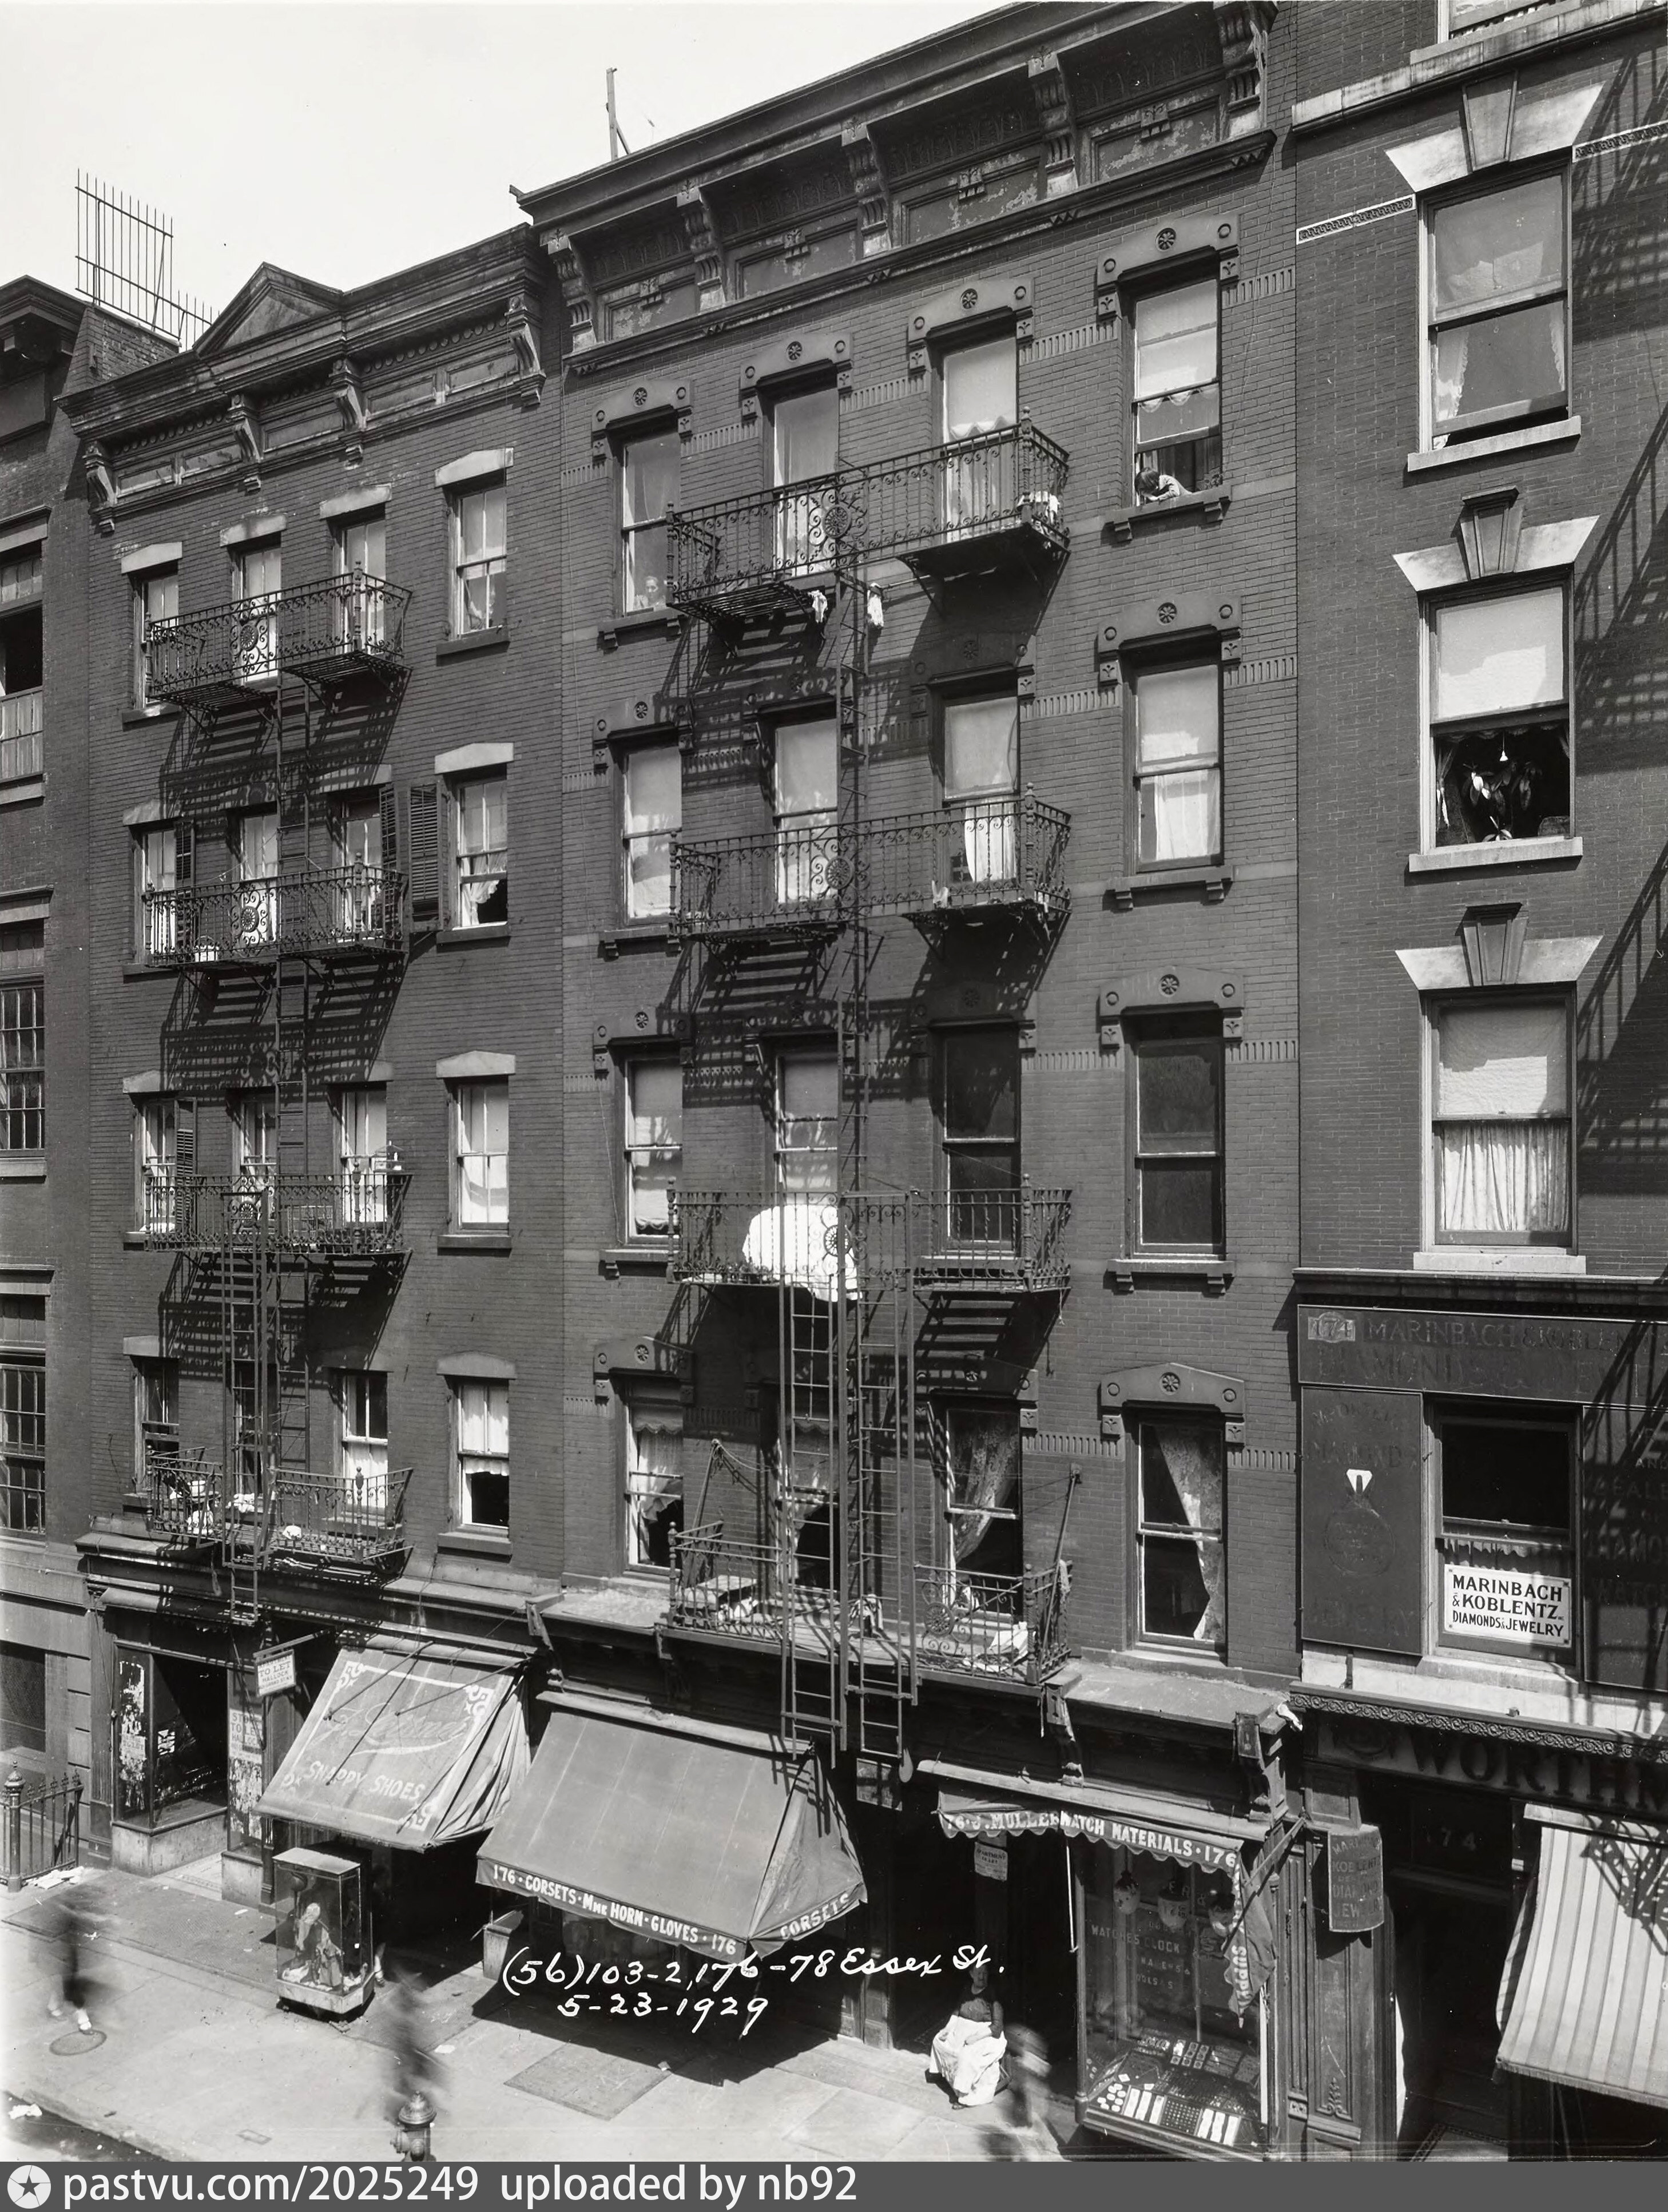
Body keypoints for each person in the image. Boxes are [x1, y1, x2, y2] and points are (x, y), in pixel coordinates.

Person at [927, 1960, 1007, 2108]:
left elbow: (997, 2027)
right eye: (978, 1973)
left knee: (966, 2056)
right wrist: (947, 2029)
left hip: (985, 2034)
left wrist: (975, 2037)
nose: (982, 1977)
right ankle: (941, 2073)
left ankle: (965, 2097)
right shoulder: (967, 1989)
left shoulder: (992, 1995)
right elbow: (957, 2012)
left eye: (985, 1973)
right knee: (939, 2040)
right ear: (971, 1974)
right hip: (962, 2028)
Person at [1001, 2024, 1058, 2159]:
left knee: (1028, 2145)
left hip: (1027, 2109)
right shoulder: (1024, 2064)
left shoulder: (1028, 2064)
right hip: (1023, 2110)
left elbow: (1032, 2093)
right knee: (1025, 2142)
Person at [46, 1897, 93, 2035]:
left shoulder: (62, 1908)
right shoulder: (62, 1911)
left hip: (64, 1948)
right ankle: (83, 2019)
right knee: (71, 1982)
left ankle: (53, 2005)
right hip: (62, 1951)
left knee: (63, 1979)